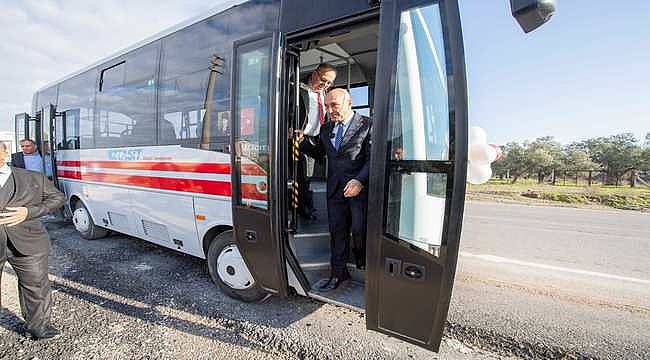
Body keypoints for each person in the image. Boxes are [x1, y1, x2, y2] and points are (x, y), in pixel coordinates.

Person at [296, 88, 371, 291]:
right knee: (337, 231)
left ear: (349, 103)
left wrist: (360, 181)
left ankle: (364, 266)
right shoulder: (327, 128)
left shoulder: (367, 125)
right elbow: (320, 151)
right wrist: (302, 141)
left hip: (358, 189)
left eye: (334, 105)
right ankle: (339, 274)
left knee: (359, 229)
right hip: (335, 189)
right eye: (327, 106)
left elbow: (372, 158)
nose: (330, 110)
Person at [0, 142, 65, 339]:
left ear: (4, 153)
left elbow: (57, 198)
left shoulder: (31, 177)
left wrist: (29, 212)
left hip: (29, 243)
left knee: (36, 286)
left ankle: (38, 327)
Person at [296, 63, 337, 220]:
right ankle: (305, 209)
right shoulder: (297, 89)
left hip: (317, 139)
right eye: (323, 80)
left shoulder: (326, 95)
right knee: (301, 176)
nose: (325, 85)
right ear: (314, 74)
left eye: (329, 83)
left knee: (308, 176)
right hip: (299, 138)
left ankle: (307, 207)